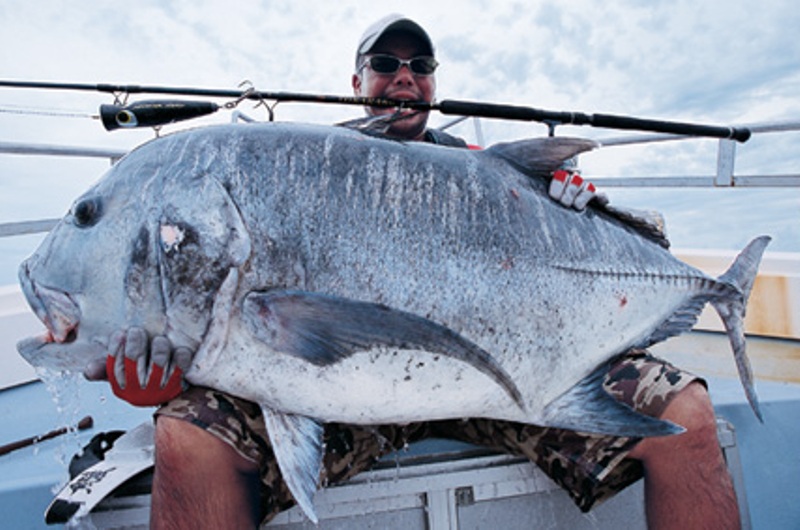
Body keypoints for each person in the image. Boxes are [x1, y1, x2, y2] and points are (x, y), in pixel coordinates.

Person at [101, 15, 741, 530]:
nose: (403, 78)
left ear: (434, 84)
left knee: (689, 417)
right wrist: (152, 378)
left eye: (420, 66)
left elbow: (589, 258)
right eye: (385, 65)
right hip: (346, 394)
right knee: (186, 438)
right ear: (357, 82)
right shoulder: (302, 172)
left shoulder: (492, 173)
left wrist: (575, 202)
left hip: (514, 375)